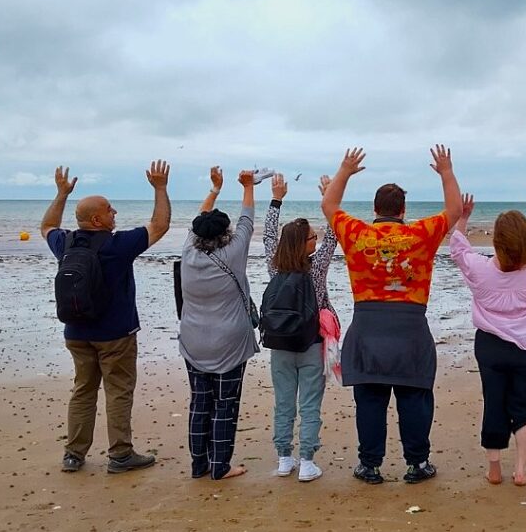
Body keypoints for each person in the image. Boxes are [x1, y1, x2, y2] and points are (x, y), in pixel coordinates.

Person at [321, 145, 462, 485]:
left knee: (370, 399)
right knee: (414, 396)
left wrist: (345, 169)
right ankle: (417, 464)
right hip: (410, 327)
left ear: (375, 209)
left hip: (368, 327)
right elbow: (455, 210)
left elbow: (329, 205)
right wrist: (445, 171)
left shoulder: (358, 234)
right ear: (403, 210)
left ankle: (370, 466)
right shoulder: (420, 235)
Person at [40, 161, 171, 474]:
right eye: (110, 211)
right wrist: (161, 188)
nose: (115, 214)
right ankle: (121, 454)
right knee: (118, 390)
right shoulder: (116, 245)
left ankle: (74, 454)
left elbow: (46, 227)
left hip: (76, 330)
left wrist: (61, 195)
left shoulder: (66, 243)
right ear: (97, 219)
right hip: (115, 334)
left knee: (83, 390)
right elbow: (160, 225)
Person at [449, 193, 526, 486]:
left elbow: (457, 248)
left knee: (494, 401)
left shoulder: (480, 269)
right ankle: (521, 468)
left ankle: (493, 468)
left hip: (490, 345)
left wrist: (463, 217)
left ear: (496, 242)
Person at [178, 167, 259, 480]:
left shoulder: (188, 251)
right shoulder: (233, 252)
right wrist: (248, 186)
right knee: (225, 405)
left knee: (200, 403)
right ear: (225, 233)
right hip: (229, 342)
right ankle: (220, 466)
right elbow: (247, 219)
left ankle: (199, 465)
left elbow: (201, 217)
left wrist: (214, 189)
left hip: (193, 340)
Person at [263, 172, 339, 482]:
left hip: (280, 343)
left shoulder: (274, 264)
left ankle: (284, 458)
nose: (318, 239)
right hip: (311, 343)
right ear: (306, 243)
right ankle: (306, 462)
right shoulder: (317, 266)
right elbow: (336, 231)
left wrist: (276, 199)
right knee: (309, 404)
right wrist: (329, 197)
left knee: (283, 403)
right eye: (312, 237)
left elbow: (269, 236)